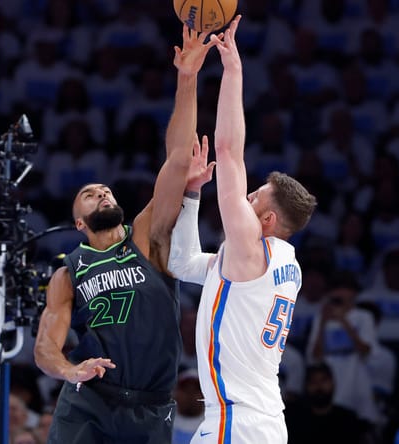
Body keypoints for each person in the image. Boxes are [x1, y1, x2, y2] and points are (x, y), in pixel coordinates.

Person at [33, 23, 216, 443]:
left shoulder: (147, 240)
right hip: (89, 400)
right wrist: (70, 370)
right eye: (88, 193)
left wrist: (186, 78)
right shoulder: (69, 273)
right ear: (78, 223)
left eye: (105, 189)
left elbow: (176, 158)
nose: (100, 191)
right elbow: (45, 347)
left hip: (151, 406)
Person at [167, 16, 317, 443]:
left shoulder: (251, 252)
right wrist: (193, 193)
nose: (243, 200)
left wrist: (232, 71)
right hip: (261, 420)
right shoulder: (280, 263)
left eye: (254, 199)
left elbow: (229, 152)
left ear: (267, 221)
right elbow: (182, 263)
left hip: (239, 421)